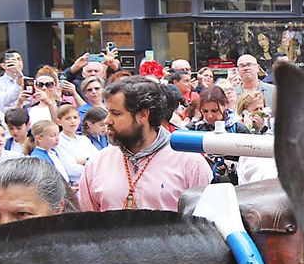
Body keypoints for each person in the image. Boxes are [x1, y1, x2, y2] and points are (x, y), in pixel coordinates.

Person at [78, 77, 211, 211]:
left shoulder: (191, 163)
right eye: (108, 112)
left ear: (143, 115)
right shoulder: (96, 164)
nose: (107, 121)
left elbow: (205, 223)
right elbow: (86, 226)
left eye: (116, 113)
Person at [53, 104, 98, 185]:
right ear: (59, 122)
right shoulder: (59, 142)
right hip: (77, 184)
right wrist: (93, 166)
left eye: (75, 117)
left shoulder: (84, 139)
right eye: (67, 118)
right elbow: (71, 169)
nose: (72, 121)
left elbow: (98, 158)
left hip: (93, 181)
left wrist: (85, 160)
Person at [0, 50, 28, 115]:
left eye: (19, 59)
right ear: (3, 65)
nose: (18, 63)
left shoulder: (30, 81)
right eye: (13, 60)